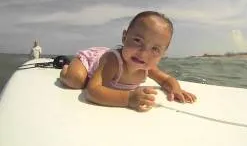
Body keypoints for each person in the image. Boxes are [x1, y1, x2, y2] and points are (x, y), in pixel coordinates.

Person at [59, 11, 197, 112]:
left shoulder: (147, 67)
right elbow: (92, 91)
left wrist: (175, 89)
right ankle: (66, 68)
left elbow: (166, 79)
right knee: (75, 80)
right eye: (137, 41)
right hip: (90, 61)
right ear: (124, 37)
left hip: (101, 68)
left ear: (163, 54)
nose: (143, 53)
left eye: (155, 49)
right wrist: (128, 98)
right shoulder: (113, 61)